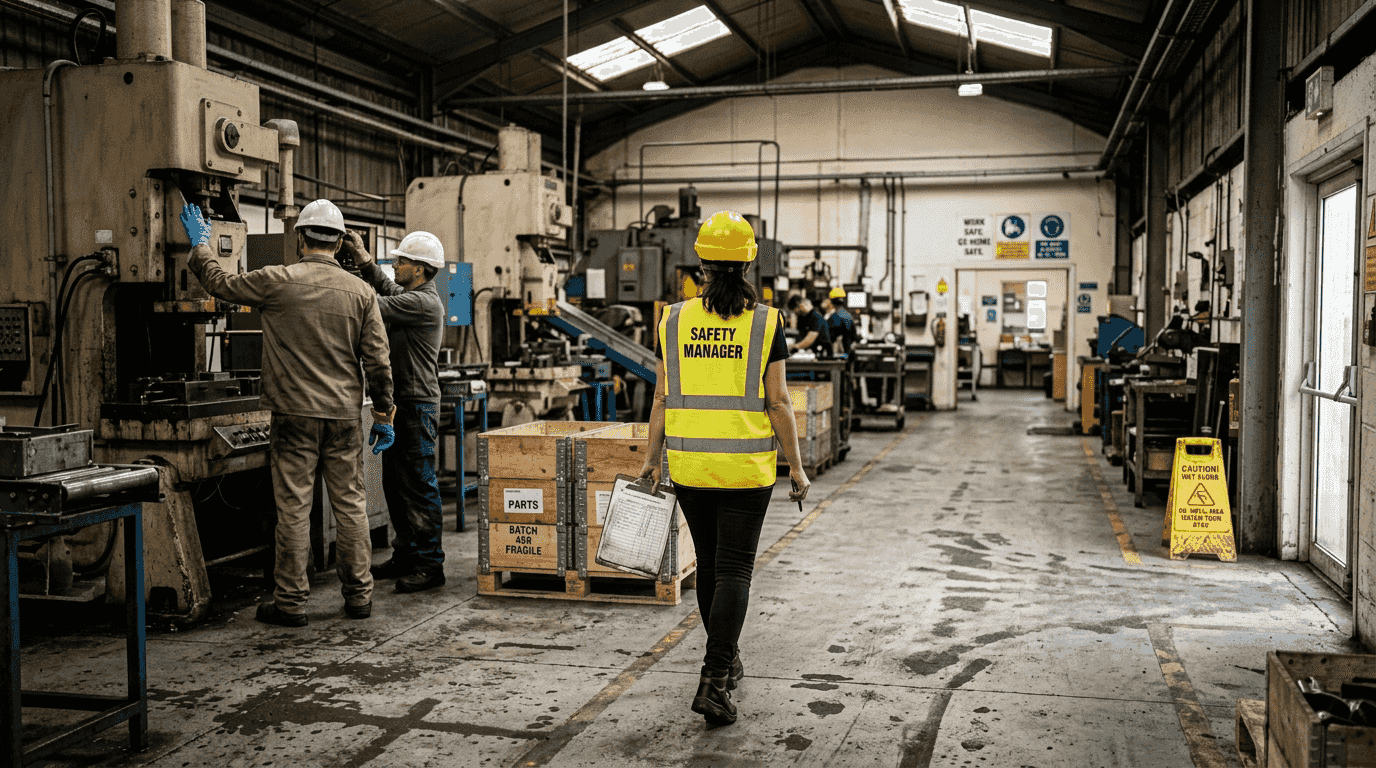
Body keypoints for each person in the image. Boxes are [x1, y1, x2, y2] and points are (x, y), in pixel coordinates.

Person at [179, 199, 395, 626]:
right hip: (343, 417)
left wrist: (201, 245)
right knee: (351, 504)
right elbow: (379, 362)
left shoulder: (278, 280)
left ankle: (291, 603)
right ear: (339, 242)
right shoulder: (363, 292)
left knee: (294, 509)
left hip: (293, 415)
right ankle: (358, 597)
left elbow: (221, 284)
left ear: (299, 238)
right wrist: (385, 415)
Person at [638, 210, 811, 727]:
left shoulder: (672, 319)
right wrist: (796, 469)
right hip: (746, 468)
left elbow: (663, 396)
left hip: (690, 465)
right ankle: (713, 680)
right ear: (751, 261)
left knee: (712, 568)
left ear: (700, 262)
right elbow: (778, 403)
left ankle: (726, 658)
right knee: (735, 570)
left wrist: (651, 459)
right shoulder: (767, 322)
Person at [343, 230, 448, 593]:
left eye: (401, 261)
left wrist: (334, 280)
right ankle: (406, 554)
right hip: (401, 405)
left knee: (418, 485)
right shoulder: (414, 296)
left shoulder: (422, 303)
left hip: (416, 406)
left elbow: (372, 305)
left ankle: (431, 564)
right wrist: (363, 261)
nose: (396, 265)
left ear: (419, 270)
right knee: (395, 483)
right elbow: (388, 290)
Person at [820, 287, 858, 356]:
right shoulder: (849, 316)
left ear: (831, 301)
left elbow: (828, 338)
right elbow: (854, 337)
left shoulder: (835, 317)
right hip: (848, 353)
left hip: (838, 355)